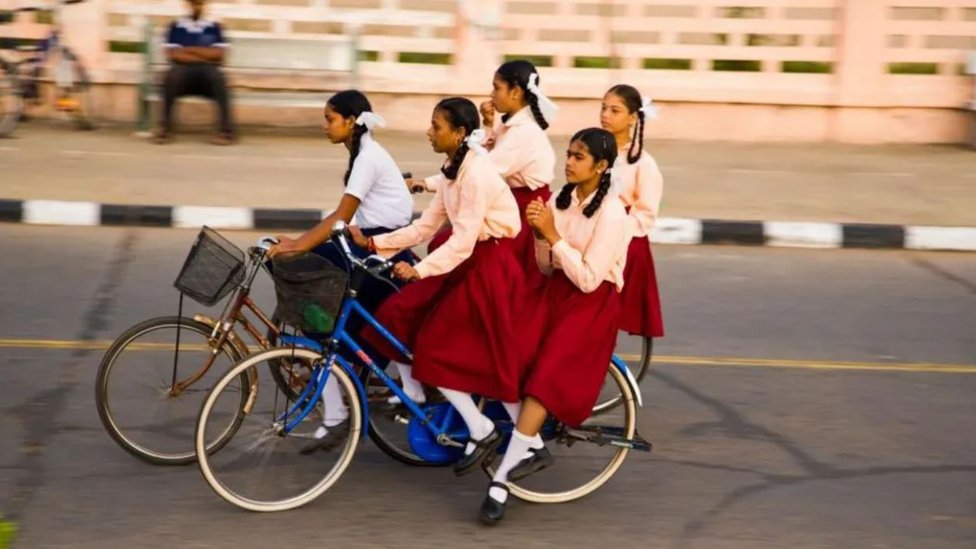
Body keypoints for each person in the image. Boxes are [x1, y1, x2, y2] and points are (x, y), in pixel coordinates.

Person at [353, 97, 526, 476]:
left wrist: (420, 270)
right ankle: (417, 398)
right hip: (465, 262)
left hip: (489, 265)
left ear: (460, 133)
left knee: (437, 351)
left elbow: (463, 240)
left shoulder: (477, 175)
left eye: (437, 126)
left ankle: (481, 429)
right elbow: (425, 227)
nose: (429, 132)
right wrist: (376, 243)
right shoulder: (452, 169)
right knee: (396, 314)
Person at [479, 128, 631, 525]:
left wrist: (551, 235)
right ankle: (527, 444)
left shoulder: (613, 214)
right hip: (555, 294)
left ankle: (500, 480)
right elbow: (547, 267)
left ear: (601, 166)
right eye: (569, 154)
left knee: (543, 378)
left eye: (579, 157)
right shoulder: (559, 203)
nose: (569, 162)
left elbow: (589, 280)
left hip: (590, 305)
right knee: (508, 352)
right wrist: (540, 237)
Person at [267, 89, 414, 452]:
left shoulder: (367, 158)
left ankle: (339, 409)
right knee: (336, 321)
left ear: (350, 121)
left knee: (319, 314)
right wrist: (299, 241)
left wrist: (298, 246)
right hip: (369, 243)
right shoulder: (361, 154)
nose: (325, 126)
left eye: (330, 118)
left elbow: (340, 217)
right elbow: (342, 218)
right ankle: (352, 399)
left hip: (380, 248)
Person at [408, 59, 556, 279]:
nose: (492, 94)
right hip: (509, 201)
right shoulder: (511, 125)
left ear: (515, 92)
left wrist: (427, 183)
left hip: (525, 211)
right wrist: (489, 123)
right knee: (442, 244)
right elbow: (482, 154)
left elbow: (483, 167)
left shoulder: (524, 132)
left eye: (497, 88)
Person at [600, 85, 665, 339]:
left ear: (632, 118)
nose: (605, 114)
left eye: (614, 110)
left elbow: (645, 214)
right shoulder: (595, 150)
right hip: (591, 231)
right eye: (603, 108)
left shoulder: (642, 163)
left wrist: (615, 229)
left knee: (606, 311)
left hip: (625, 242)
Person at [155, 0, 235, 145]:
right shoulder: (176, 27)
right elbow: (174, 55)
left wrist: (188, 49)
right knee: (171, 76)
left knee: (219, 77)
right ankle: (164, 129)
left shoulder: (214, 27)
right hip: (183, 73)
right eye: (194, 4)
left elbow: (219, 55)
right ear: (188, 5)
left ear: (204, 5)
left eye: (199, 4)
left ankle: (226, 131)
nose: (197, 7)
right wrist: (204, 54)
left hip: (207, 75)